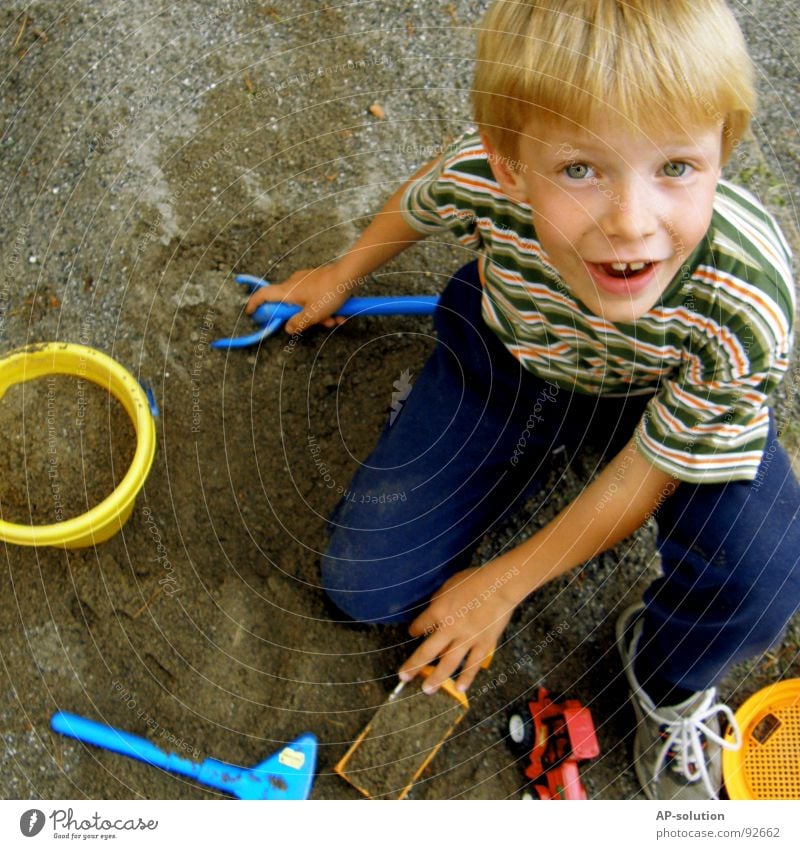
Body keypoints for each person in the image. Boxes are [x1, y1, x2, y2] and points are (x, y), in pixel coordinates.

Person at [247, 0, 800, 800]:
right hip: (512, 364)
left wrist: (505, 584)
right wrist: (340, 275)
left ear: (723, 149)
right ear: (508, 166)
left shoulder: (747, 299)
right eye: (580, 169)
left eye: (676, 167)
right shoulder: (482, 176)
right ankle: (505, 449)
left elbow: (650, 464)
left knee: (762, 576)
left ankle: (667, 672)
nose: (631, 223)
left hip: (659, 400)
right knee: (364, 585)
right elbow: (422, 198)